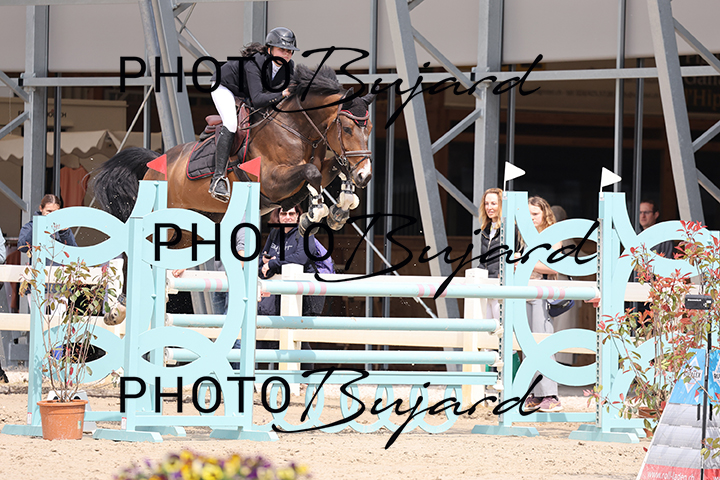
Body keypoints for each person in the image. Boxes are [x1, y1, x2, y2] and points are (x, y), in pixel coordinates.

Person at [208, 27, 299, 202]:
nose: (287, 54)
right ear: (270, 49)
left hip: (247, 92)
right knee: (231, 123)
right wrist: (283, 93)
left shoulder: (289, 66)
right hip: (224, 86)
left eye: (289, 51)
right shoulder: (254, 63)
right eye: (282, 50)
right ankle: (218, 179)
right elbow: (258, 99)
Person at [523, 196, 563, 413]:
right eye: (528, 214)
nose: (531, 218)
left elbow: (554, 267)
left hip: (543, 293)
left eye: (535, 214)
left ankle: (551, 394)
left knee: (543, 342)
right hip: (525, 292)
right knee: (527, 344)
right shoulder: (526, 235)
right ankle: (535, 393)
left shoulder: (553, 236)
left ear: (545, 214)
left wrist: (525, 263)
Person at [18, 194, 78, 260]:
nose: (51, 214)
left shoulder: (62, 227)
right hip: (39, 265)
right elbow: (22, 247)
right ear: (41, 208)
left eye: (55, 212)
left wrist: (64, 232)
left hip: (60, 265)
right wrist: (37, 227)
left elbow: (73, 251)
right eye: (49, 211)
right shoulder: (30, 226)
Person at [478, 188, 503, 319]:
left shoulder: (509, 229)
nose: (489, 207)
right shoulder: (485, 230)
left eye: (493, 203)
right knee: (485, 325)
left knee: (499, 325)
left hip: (499, 283)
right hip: (485, 283)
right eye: (486, 204)